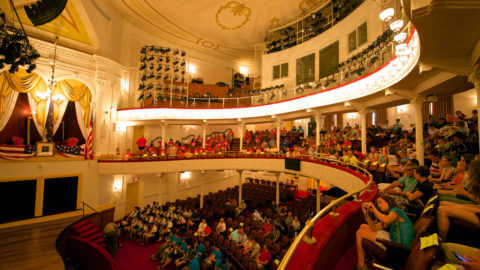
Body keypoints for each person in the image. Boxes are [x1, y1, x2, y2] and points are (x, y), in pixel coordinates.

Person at [355, 196, 414, 270]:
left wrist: (375, 210)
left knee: (360, 233)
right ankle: (366, 257)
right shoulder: (391, 215)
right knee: (363, 226)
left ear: (388, 201)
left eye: (380, 202)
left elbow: (386, 220)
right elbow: (374, 228)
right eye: (378, 203)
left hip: (398, 249)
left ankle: (361, 266)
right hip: (395, 241)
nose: (379, 205)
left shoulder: (395, 211)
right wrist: (365, 212)